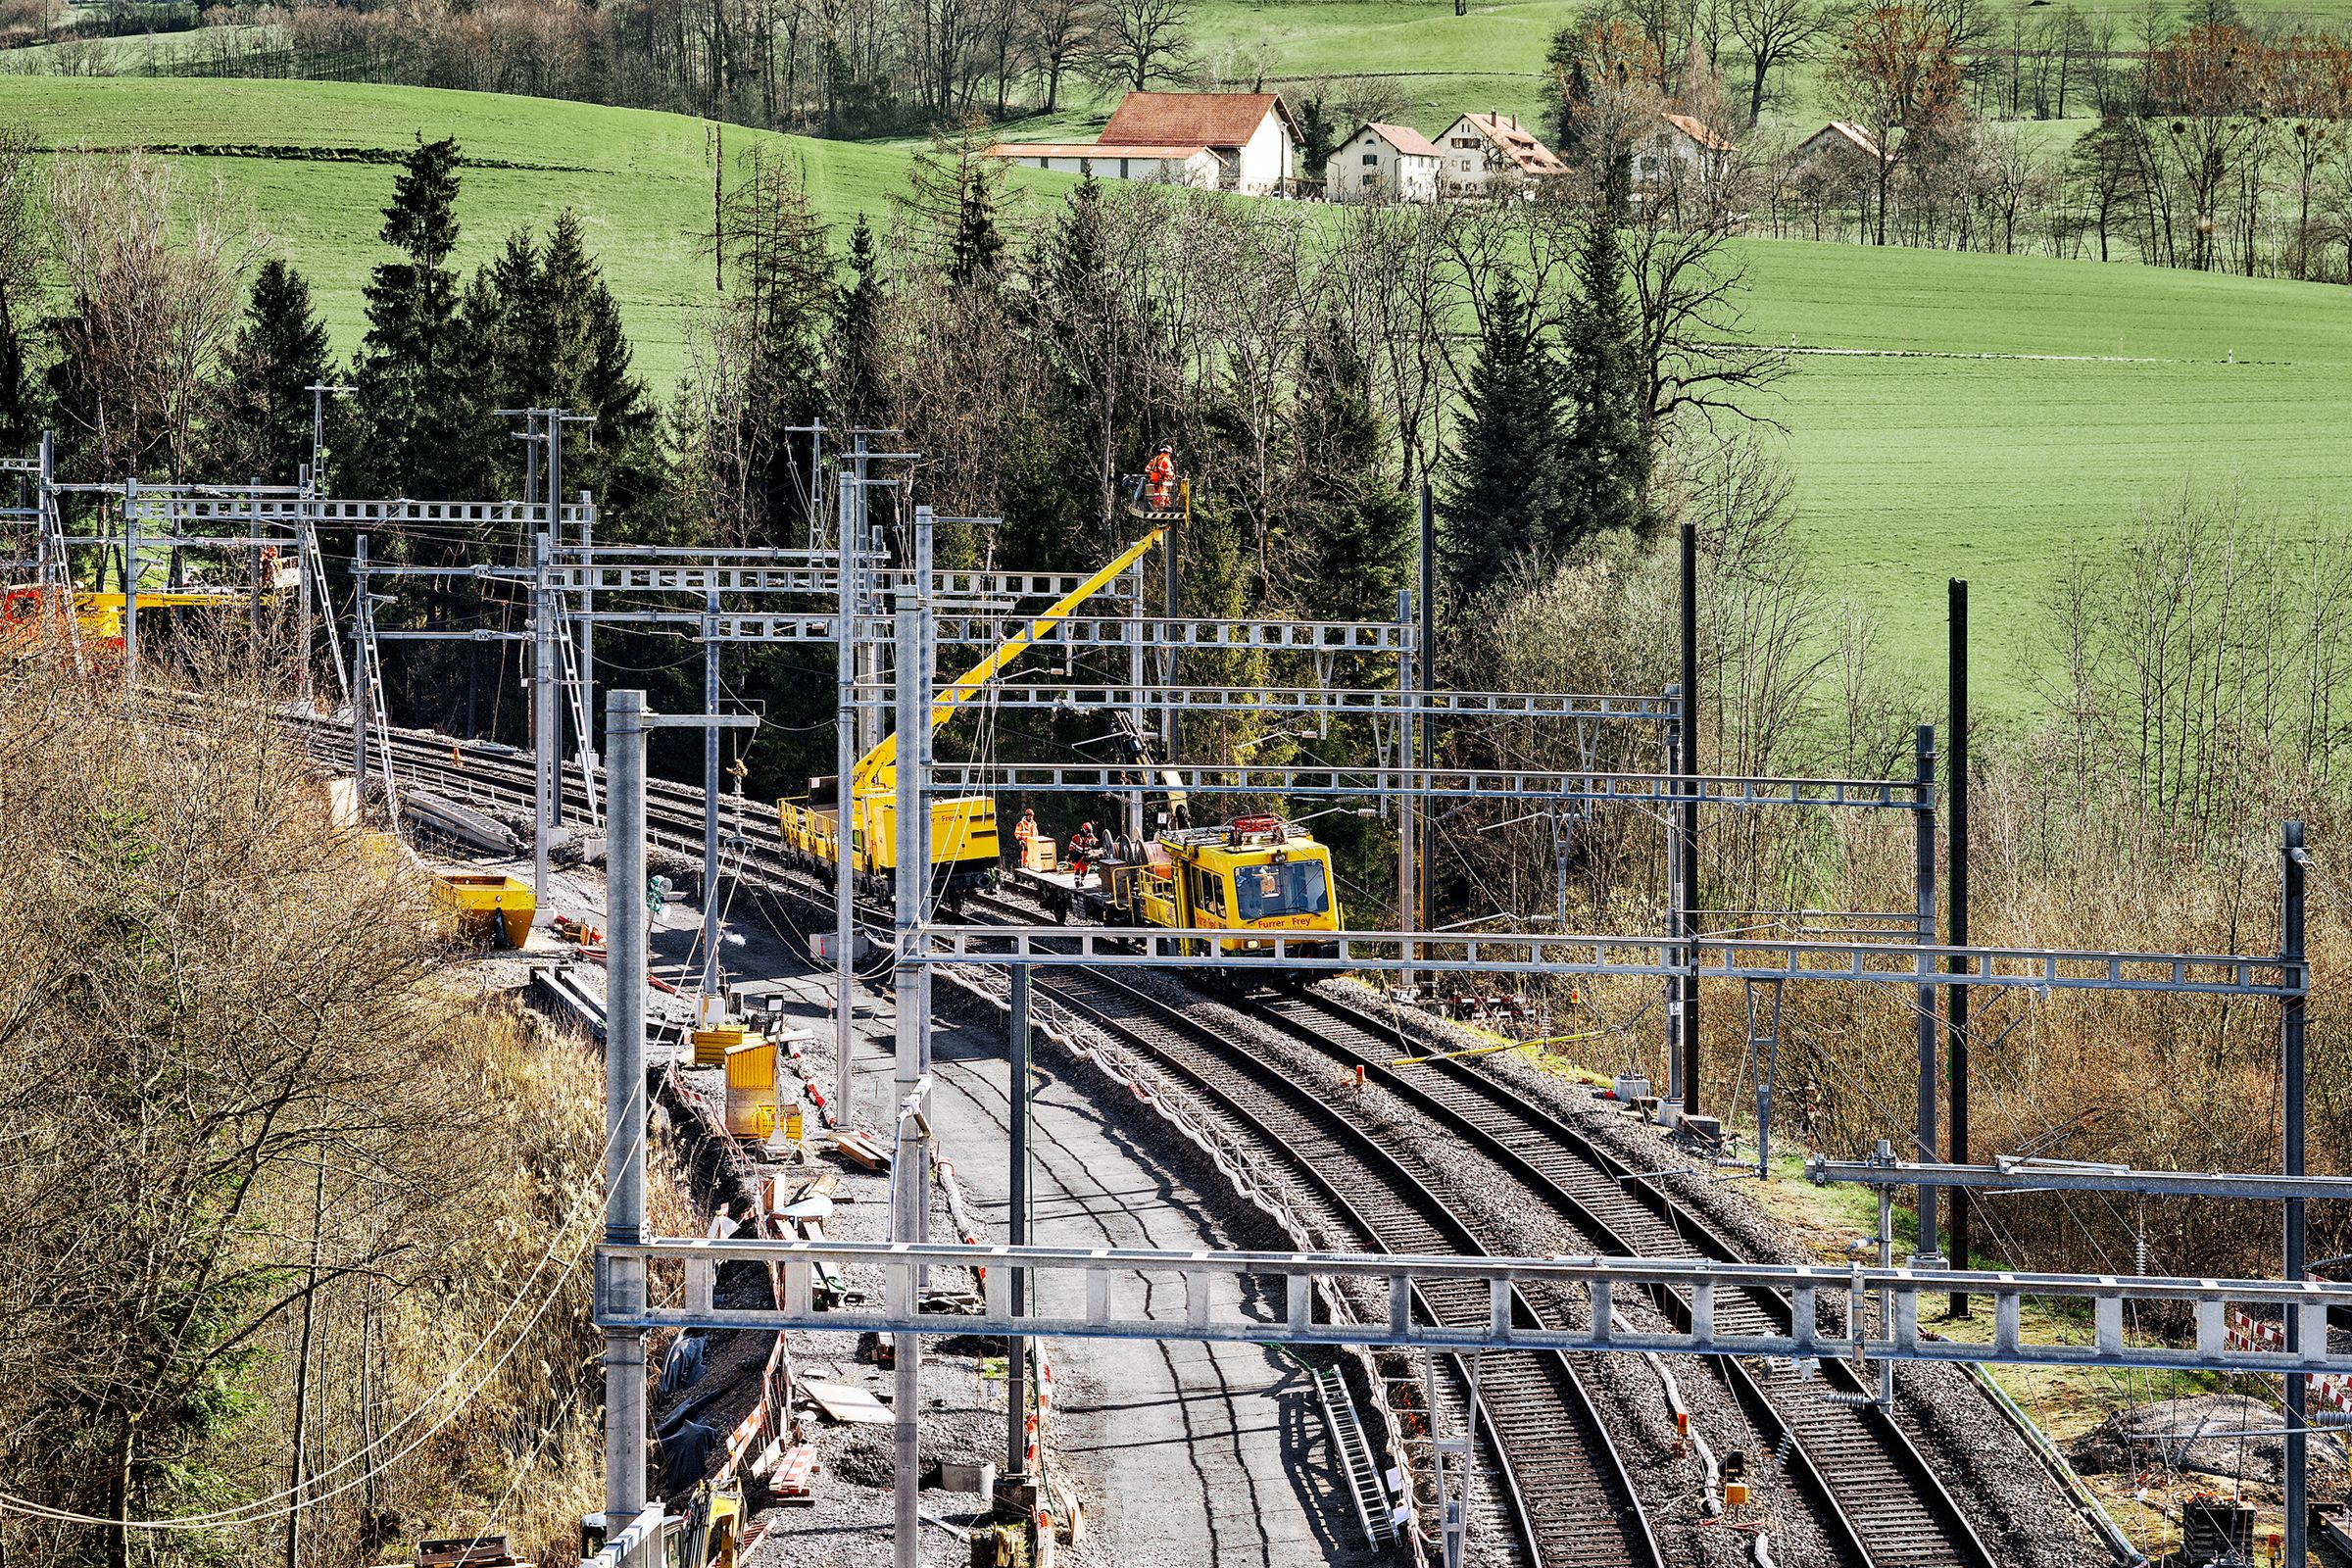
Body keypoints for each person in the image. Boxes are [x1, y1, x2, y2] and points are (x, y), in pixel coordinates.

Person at [1144, 443, 1175, 510]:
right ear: (1169, 453)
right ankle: (1161, 509)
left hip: (1153, 481)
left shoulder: (1155, 459)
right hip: (1162, 482)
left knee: (1156, 496)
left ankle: (1155, 508)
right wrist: (1173, 476)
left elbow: (1147, 469)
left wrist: (1153, 473)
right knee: (1162, 496)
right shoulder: (1166, 461)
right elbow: (1169, 473)